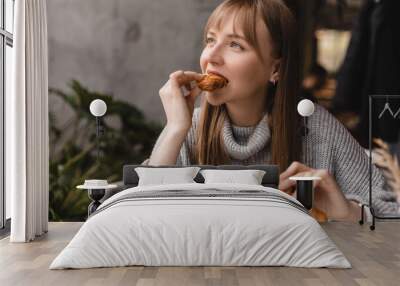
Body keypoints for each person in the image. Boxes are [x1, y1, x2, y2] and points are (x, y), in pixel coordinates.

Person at [143, 0, 399, 221]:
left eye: (235, 45)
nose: (212, 56)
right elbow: (140, 213)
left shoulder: (316, 129)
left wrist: (347, 213)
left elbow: (390, 213)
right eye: (211, 40)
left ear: (275, 69)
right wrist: (175, 128)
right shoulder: (190, 127)